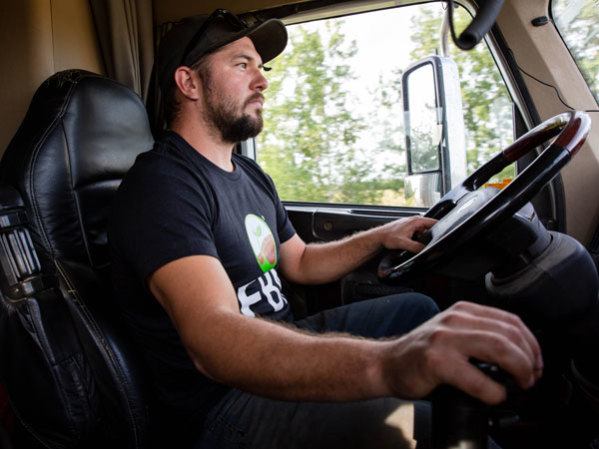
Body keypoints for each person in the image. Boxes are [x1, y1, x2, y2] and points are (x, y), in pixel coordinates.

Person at [109, 9, 543, 449]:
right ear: (189, 83)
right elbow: (213, 338)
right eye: (242, 65)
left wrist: (380, 235)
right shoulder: (161, 187)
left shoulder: (249, 173)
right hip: (224, 406)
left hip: (280, 340)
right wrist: (388, 365)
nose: (262, 82)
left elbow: (297, 261)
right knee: (426, 430)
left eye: (262, 68)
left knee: (418, 310)